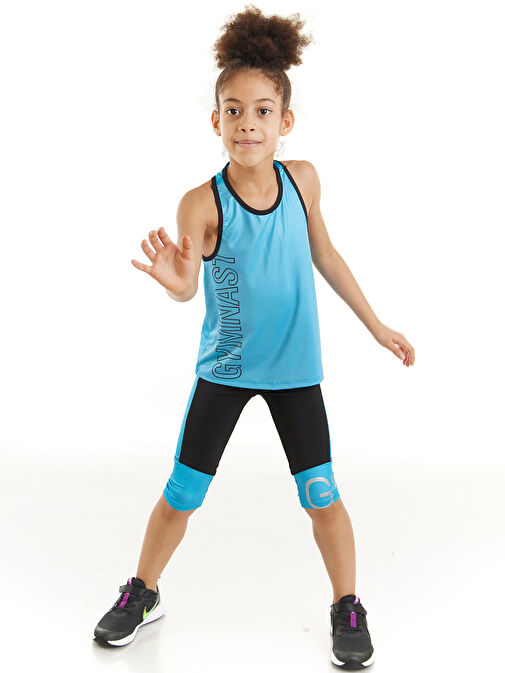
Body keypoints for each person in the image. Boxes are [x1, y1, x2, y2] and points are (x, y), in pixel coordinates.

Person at [93, 5, 414, 669]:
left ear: (284, 121)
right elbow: (188, 286)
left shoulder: (303, 180)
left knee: (321, 495)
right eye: (233, 110)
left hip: (296, 372)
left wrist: (377, 324)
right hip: (227, 369)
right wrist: (174, 281)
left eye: (262, 110)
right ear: (215, 121)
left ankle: (346, 604)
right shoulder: (201, 201)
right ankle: (143, 591)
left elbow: (326, 255)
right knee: (182, 493)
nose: (247, 123)